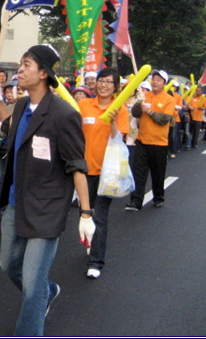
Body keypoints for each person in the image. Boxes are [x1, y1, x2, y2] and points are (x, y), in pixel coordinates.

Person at [0, 44, 95, 337]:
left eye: (26, 64)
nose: (20, 69)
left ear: (43, 73)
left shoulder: (63, 114)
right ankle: (49, 291)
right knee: (8, 265)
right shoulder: (20, 106)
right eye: (21, 63)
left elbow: (77, 165)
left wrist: (86, 213)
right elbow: (8, 130)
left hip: (47, 209)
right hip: (16, 203)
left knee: (31, 287)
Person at [78, 68, 129, 280]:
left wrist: (114, 120)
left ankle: (96, 261)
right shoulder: (83, 105)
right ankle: (91, 241)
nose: (104, 85)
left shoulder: (121, 109)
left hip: (108, 173)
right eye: (101, 81)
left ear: (115, 86)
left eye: (109, 82)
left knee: (100, 217)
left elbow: (120, 139)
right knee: (84, 213)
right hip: (83, 171)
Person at [125, 69, 175, 211]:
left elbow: (164, 119)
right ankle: (135, 201)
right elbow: (135, 114)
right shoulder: (145, 95)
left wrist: (149, 111)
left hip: (159, 143)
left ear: (164, 83)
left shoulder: (169, 100)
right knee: (138, 172)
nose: (155, 82)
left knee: (157, 173)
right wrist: (138, 104)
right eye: (154, 79)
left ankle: (158, 197)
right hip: (142, 140)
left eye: (159, 80)